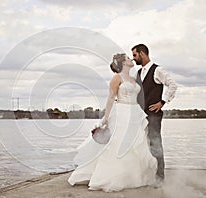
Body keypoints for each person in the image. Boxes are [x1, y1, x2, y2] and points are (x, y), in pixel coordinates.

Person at [68, 54, 158, 192]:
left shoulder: (134, 79)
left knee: (136, 144)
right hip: (122, 112)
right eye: (128, 58)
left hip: (135, 112)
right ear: (122, 63)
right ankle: (110, 178)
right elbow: (111, 98)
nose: (131, 59)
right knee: (119, 143)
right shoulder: (117, 78)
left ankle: (133, 177)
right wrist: (106, 117)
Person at [132, 44, 177, 184]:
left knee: (155, 143)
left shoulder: (158, 70)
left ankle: (160, 177)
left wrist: (163, 102)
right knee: (141, 143)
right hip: (140, 115)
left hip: (153, 115)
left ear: (142, 54)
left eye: (135, 55)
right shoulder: (138, 73)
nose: (133, 59)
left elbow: (173, 85)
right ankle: (146, 173)